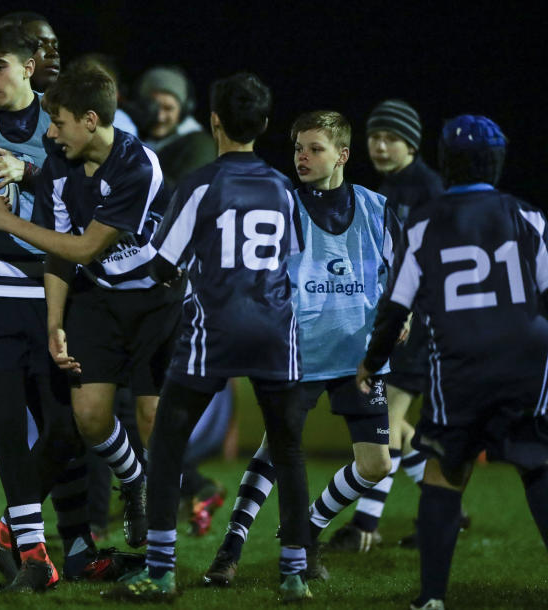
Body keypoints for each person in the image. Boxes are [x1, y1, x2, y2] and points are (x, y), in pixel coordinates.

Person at [102, 72, 313, 603]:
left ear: (214, 120)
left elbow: (164, 263)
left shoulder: (199, 184)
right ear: (265, 126)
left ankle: (161, 570)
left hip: (213, 328)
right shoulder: (285, 187)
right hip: (272, 328)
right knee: (287, 449)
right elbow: (295, 259)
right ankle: (294, 575)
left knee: (167, 441)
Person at [0, 65, 182, 551]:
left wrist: (3, 220)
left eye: (57, 122)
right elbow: (59, 252)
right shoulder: (61, 164)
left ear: (89, 119)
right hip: (99, 301)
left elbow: (85, 248)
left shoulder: (138, 164)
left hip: (156, 301)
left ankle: (161, 553)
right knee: (89, 417)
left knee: (151, 419)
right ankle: (135, 478)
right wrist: (54, 323)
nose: (49, 133)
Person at [356, 114, 548, 610]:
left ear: (446, 161)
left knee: (444, 473)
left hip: (458, 366)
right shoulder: (526, 215)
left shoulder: (425, 220)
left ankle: (433, 599)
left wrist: (372, 362)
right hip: (526, 361)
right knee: (537, 465)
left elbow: (396, 305)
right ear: (498, 160)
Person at [210, 111, 399, 585]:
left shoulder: (377, 208)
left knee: (375, 465)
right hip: (297, 354)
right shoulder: (282, 209)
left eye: (315, 148)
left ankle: (307, 527)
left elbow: (404, 278)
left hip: (361, 359)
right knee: (274, 449)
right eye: (298, 148)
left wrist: (408, 315)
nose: (303, 157)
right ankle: (230, 548)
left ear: (343, 154)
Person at [330, 99, 455, 551]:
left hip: (418, 324)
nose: (379, 146)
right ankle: (446, 513)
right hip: (401, 320)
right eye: (374, 137)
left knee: (388, 423)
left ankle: (364, 525)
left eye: (390, 138)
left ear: (411, 144)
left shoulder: (427, 191)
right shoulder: (393, 187)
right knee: (398, 430)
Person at [135, 66, 216, 185]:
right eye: (152, 108)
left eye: (168, 108)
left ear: (183, 110)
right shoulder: (138, 136)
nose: (160, 117)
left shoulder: (200, 146)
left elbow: (182, 195)